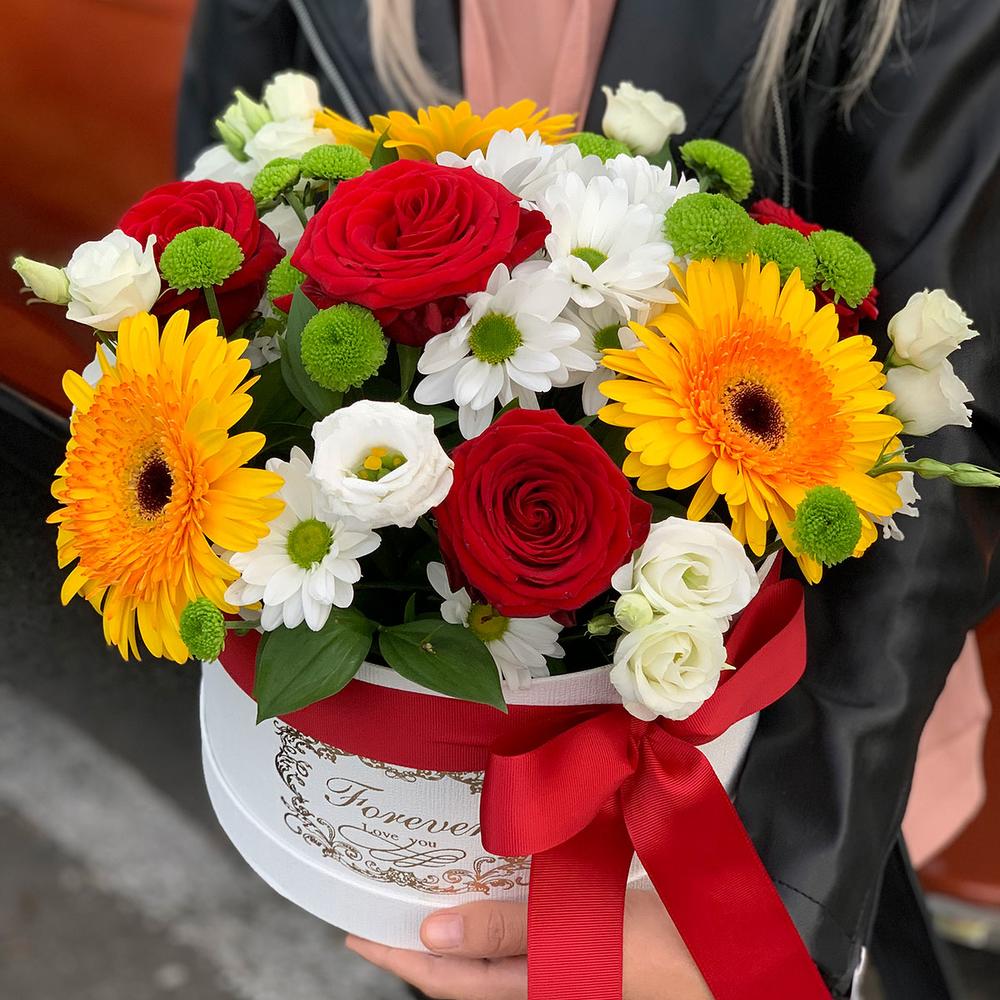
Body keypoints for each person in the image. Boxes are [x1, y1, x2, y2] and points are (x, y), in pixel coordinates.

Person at [177, 1, 1000, 996]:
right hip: (433, 767)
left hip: (781, 750)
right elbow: (231, 230)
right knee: (455, 948)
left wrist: (786, 902)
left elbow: (942, 414)